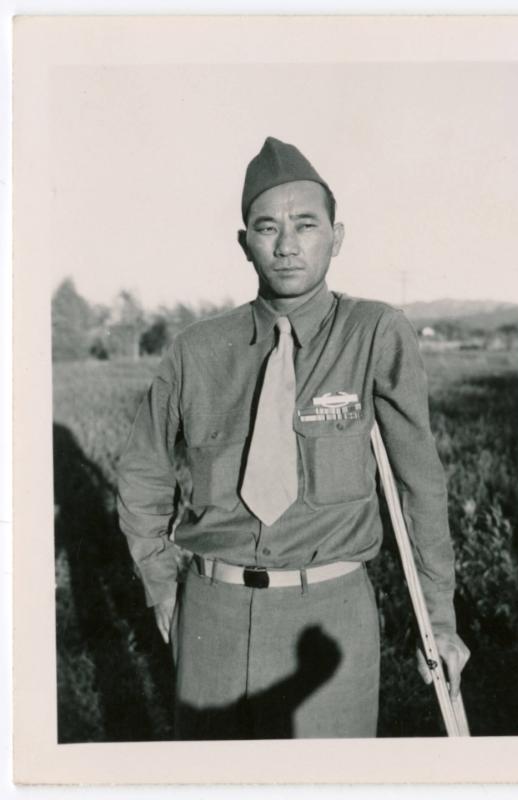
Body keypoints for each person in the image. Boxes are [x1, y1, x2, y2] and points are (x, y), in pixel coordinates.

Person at [117, 136, 470, 740]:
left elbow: (418, 486)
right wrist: (160, 587)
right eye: (266, 227)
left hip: (330, 617)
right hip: (212, 613)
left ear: (337, 235)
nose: (285, 245)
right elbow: (144, 470)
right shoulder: (198, 350)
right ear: (243, 243)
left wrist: (437, 619)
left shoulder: (374, 332)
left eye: (305, 225)